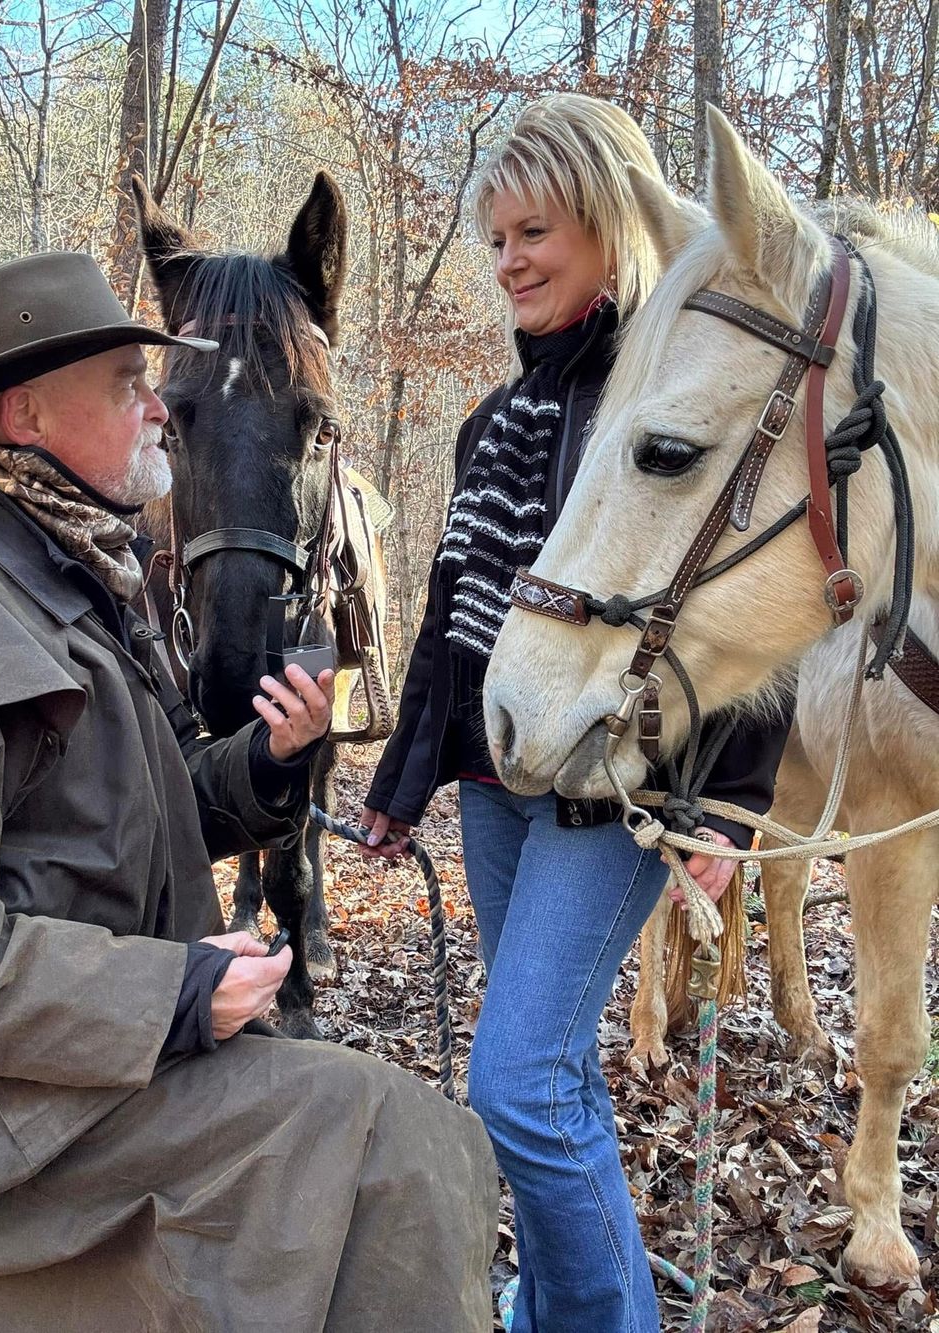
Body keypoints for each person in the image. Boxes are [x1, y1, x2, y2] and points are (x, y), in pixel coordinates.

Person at [0, 251, 498, 1331]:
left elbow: (150, 812)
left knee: (409, 1142)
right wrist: (174, 989)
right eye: (128, 386)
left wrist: (272, 760)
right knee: (395, 1146)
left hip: (88, 1069)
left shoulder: (73, 568)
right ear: (24, 413)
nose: (158, 409)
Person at [361, 95, 791, 1333]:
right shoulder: (488, 423)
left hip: (622, 784)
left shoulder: (669, 398)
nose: (507, 262)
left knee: (517, 1085)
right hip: (500, 783)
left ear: (610, 225)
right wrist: (401, 787)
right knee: (545, 1072)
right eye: (495, 239)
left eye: (534, 232)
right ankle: (552, 1304)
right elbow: (451, 627)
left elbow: (743, 600)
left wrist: (728, 804)